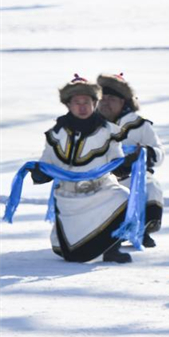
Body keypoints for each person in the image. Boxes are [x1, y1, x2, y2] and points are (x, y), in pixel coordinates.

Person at [31, 75, 138, 264]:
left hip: (100, 192)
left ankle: (111, 249)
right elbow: (47, 162)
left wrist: (126, 164)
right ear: (68, 105)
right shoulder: (56, 133)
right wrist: (40, 173)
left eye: (86, 102)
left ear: (95, 103)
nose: (82, 107)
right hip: (68, 197)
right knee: (72, 255)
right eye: (77, 103)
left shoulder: (109, 132)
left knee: (123, 196)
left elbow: (117, 163)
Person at [97, 73, 165, 248]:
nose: (105, 102)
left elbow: (159, 153)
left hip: (133, 176)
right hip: (100, 177)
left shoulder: (140, 125)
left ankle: (144, 228)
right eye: (102, 98)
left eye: (111, 99)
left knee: (150, 186)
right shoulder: (90, 124)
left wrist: (145, 154)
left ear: (123, 102)